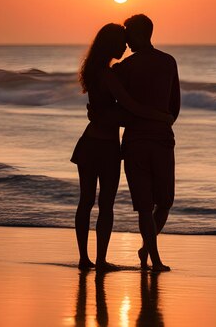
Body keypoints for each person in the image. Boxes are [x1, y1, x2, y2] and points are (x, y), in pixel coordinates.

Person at [71, 23, 173, 271]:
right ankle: (100, 259)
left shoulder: (97, 72)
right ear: (111, 44)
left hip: (90, 143)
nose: (125, 46)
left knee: (86, 202)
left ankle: (86, 259)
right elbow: (130, 107)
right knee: (104, 205)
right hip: (104, 146)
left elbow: (113, 110)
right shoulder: (108, 75)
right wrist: (161, 116)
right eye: (121, 42)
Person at [113, 14, 181, 271]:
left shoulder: (126, 68)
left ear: (141, 34)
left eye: (129, 33)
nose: (126, 39)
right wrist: (162, 121)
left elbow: (118, 107)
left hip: (142, 140)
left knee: (155, 204)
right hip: (155, 137)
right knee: (157, 204)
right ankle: (154, 257)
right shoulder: (167, 61)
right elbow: (175, 107)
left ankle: (147, 249)